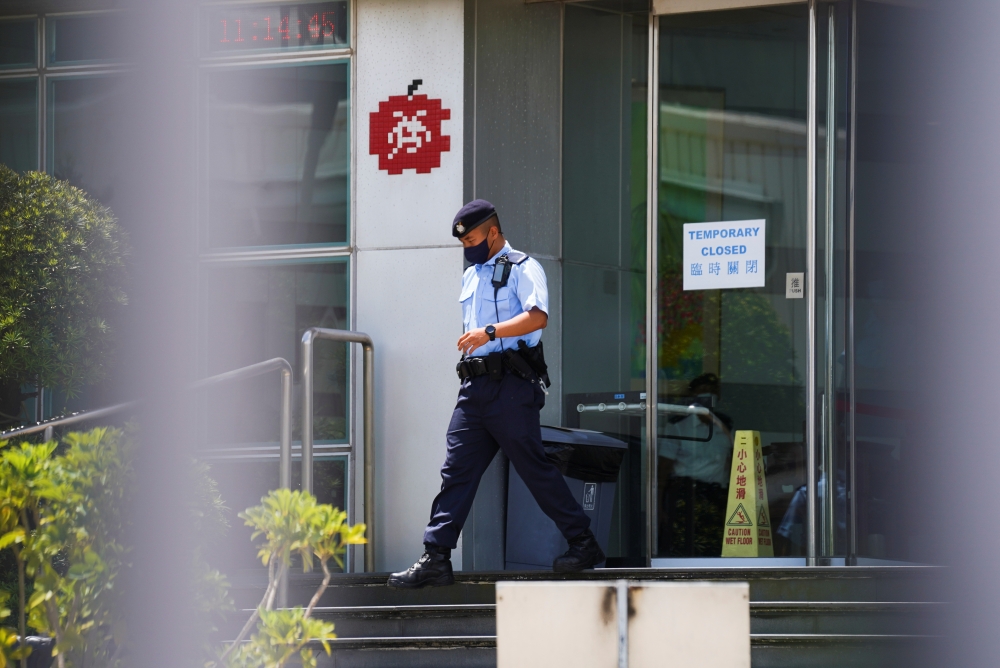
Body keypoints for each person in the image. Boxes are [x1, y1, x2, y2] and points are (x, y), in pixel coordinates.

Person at [388, 199, 604, 588]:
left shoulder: (525, 267)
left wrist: (489, 332)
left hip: (511, 386)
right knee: (456, 472)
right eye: (462, 242)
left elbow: (537, 317)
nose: (467, 247)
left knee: (533, 468)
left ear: (493, 231)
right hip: (474, 389)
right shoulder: (472, 275)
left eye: (471, 238)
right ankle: (436, 557)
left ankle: (582, 541)